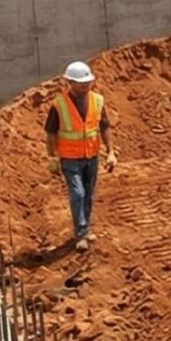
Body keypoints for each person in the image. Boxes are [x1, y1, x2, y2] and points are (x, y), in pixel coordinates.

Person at [44, 59, 116, 252]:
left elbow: (104, 126)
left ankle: (85, 226)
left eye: (87, 82)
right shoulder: (59, 105)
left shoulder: (97, 100)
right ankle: (81, 234)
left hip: (91, 155)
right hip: (69, 158)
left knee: (88, 195)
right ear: (70, 82)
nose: (85, 86)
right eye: (81, 83)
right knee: (78, 194)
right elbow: (51, 133)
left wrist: (110, 152)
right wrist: (52, 158)